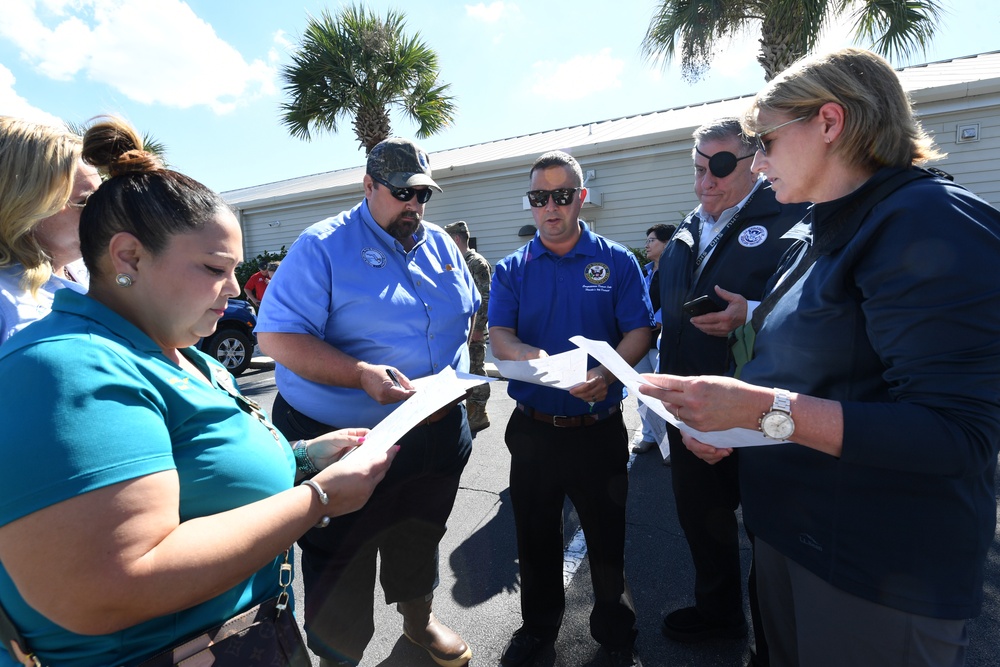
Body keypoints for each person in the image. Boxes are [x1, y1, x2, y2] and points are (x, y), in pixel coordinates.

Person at [641, 48, 1000, 667]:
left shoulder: (928, 222)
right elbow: (807, 369)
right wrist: (733, 423)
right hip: (794, 538)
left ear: (830, 123)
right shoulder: (817, 230)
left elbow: (959, 433)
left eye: (766, 141)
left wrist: (762, 413)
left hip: (875, 567)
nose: (757, 161)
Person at [0, 117, 393, 667]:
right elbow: (109, 586)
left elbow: (196, 471)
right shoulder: (63, 366)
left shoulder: (186, 355)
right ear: (129, 257)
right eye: (215, 269)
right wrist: (319, 498)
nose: (235, 290)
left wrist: (302, 459)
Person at [256, 137, 479, 667]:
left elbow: (464, 319)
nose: (415, 206)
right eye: (403, 193)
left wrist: (459, 382)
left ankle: (419, 621)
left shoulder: (442, 245)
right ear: (368, 186)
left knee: (420, 533)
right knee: (341, 558)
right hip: (346, 439)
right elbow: (279, 338)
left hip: (433, 429)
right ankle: (340, 656)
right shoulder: (323, 245)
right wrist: (359, 374)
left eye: (423, 194)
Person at [489, 150, 653, 667]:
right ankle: (538, 630)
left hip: (599, 428)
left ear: (580, 198)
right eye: (540, 197)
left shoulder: (618, 261)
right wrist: (532, 358)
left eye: (562, 195)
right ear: (531, 203)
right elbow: (500, 337)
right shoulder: (511, 269)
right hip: (535, 429)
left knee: (606, 535)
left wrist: (606, 375)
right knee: (535, 536)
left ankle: (613, 625)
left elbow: (640, 331)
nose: (551, 207)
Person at [655, 117, 807, 664]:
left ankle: (771, 645)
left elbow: (816, 307)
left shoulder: (792, 215)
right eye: (699, 168)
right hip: (691, 411)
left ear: (755, 163)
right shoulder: (688, 229)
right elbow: (664, 309)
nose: (706, 182)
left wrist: (754, 311)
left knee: (770, 541)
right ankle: (719, 615)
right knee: (704, 523)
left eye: (720, 168)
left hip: (762, 413)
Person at [0, 116, 101, 343]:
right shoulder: (5, 301)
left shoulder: (81, 273)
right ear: (25, 205)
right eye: (87, 202)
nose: (104, 212)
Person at [630, 223, 675, 459]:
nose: (646, 245)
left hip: (662, 341)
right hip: (640, 341)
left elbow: (677, 301)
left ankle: (669, 446)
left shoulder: (677, 270)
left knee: (663, 394)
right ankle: (649, 436)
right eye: (646, 240)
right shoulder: (645, 271)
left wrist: (655, 320)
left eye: (652, 240)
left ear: (667, 244)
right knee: (642, 391)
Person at [443, 219, 492, 432]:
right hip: (463, 331)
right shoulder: (459, 262)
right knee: (466, 371)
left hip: (475, 332)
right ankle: (472, 409)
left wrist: (479, 328)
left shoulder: (476, 263)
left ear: (456, 239)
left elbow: (485, 298)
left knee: (476, 371)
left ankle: (478, 413)